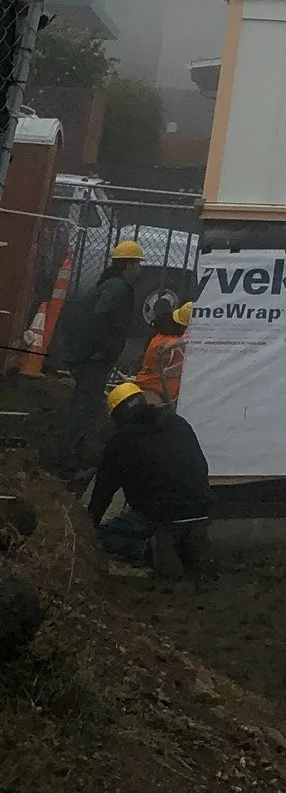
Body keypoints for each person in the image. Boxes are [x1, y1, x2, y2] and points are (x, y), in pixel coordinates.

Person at [87, 381, 214, 582]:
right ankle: (186, 545)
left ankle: (151, 551)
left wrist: (88, 527)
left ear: (116, 414)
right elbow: (200, 463)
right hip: (201, 508)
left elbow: (104, 489)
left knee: (106, 537)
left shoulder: (123, 440)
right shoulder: (178, 422)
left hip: (161, 515)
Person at [50, 239, 142, 480]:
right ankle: (66, 465)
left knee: (84, 406)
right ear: (129, 265)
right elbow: (98, 317)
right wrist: (103, 347)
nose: (139, 269)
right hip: (94, 359)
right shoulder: (118, 288)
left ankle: (70, 457)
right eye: (137, 264)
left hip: (90, 356)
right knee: (85, 407)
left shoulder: (109, 284)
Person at [137, 299, 191, 407]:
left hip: (160, 382)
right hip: (156, 384)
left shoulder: (165, 334)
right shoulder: (169, 344)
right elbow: (178, 346)